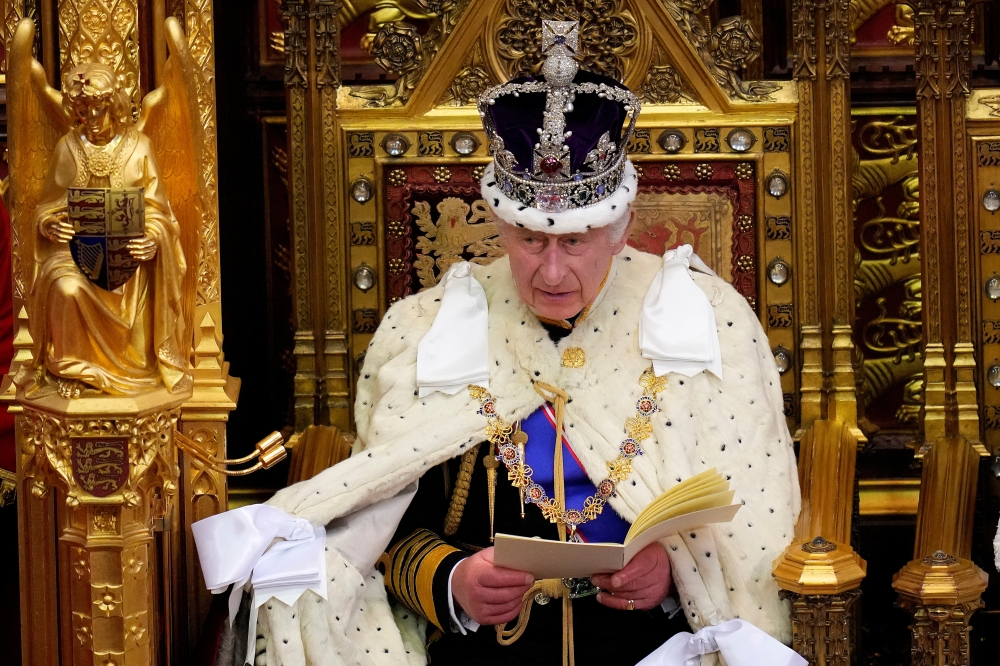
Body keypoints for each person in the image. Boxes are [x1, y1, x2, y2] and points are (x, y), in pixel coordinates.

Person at [200, 21, 800, 666]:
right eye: (529, 240)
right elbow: (374, 535)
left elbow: (748, 549)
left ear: (620, 228)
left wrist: (672, 583)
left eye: (574, 242)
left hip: (650, 648)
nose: (550, 271)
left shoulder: (705, 318)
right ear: (498, 223)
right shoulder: (429, 328)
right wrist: (453, 583)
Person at [24, 62, 191, 398]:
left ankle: (138, 366)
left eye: (98, 110)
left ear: (114, 105)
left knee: (136, 276)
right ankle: (73, 369)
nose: (91, 121)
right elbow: (46, 206)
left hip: (129, 259)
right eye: (83, 112)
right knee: (64, 286)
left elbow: (159, 211)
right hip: (76, 256)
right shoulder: (67, 148)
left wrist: (153, 239)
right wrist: (49, 224)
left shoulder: (139, 146)